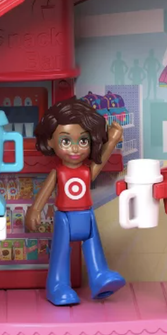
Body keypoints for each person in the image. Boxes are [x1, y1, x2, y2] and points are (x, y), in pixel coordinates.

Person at [26, 97, 126, 306]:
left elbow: (100, 161)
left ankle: (99, 276)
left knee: (94, 246)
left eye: (83, 141)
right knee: (61, 253)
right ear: (51, 142)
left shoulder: (86, 171)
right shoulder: (58, 172)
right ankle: (57, 285)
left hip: (87, 215)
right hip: (64, 218)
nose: (75, 149)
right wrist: (35, 210)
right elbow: (45, 193)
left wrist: (112, 140)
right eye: (65, 142)